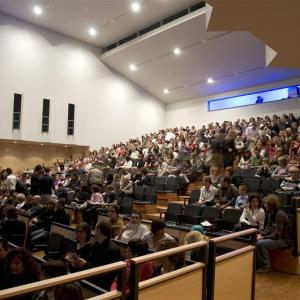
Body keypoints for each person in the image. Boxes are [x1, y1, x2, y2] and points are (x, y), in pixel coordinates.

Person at [70, 219, 121, 291]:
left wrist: (85, 265)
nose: (93, 231)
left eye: (95, 229)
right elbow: (89, 263)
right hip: (89, 279)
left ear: (99, 231)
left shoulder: (113, 250)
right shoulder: (95, 245)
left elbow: (106, 275)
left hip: (98, 287)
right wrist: (77, 263)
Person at [256, 194, 291, 273]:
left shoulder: (279, 215)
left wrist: (264, 237)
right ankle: (258, 264)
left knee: (260, 244)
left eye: (266, 204)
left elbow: (278, 234)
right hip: (277, 237)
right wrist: (260, 233)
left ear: (271, 205)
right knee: (256, 240)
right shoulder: (271, 213)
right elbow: (268, 228)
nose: (264, 205)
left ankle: (266, 266)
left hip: (284, 240)